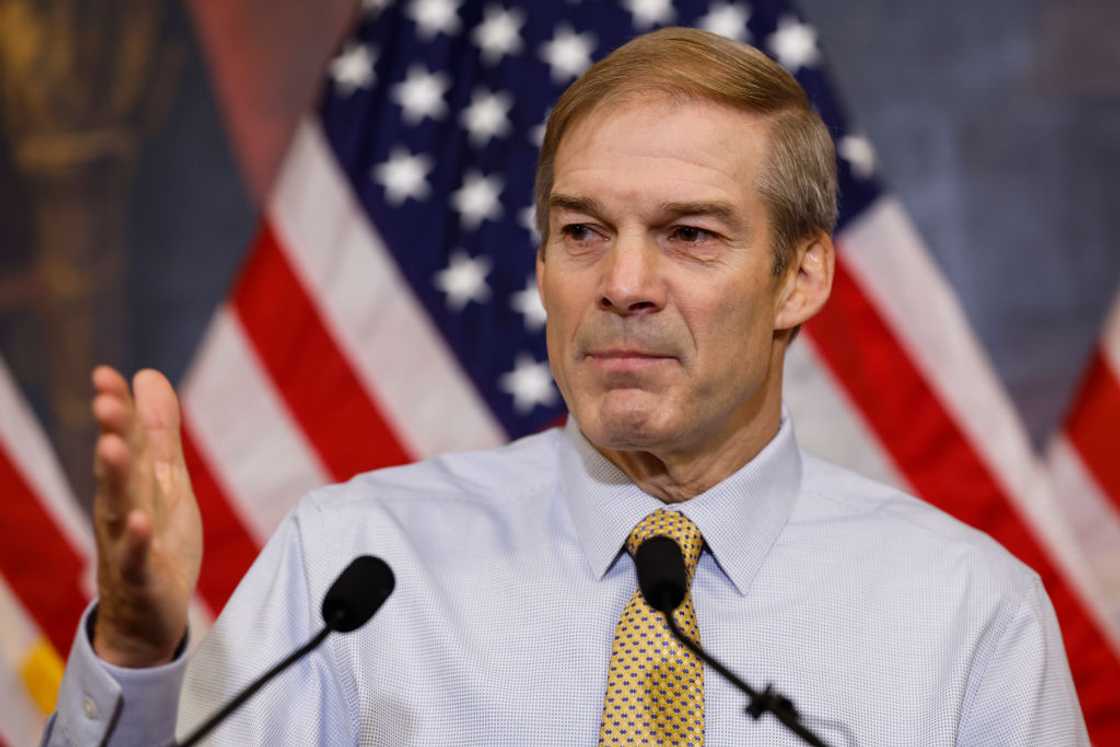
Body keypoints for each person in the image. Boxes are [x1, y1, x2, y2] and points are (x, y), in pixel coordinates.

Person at [44, 27, 1087, 746]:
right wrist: (136, 654)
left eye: (689, 235)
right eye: (582, 232)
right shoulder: (355, 568)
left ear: (800, 275)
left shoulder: (964, 613)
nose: (623, 286)